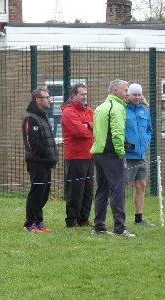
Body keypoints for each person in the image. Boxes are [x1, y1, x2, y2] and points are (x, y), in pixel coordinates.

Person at [90, 79, 134, 238]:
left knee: (102, 190)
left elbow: (96, 132)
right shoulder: (117, 108)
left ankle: (99, 226)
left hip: (98, 153)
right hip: (111, 154)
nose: (127, 93)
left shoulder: (100, 107)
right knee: (118, 190)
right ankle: (120, 229)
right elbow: (117, 133)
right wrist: (120, 152)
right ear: (115, 91)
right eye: (125, 90)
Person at [21, 88, 58, 233]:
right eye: (46, 97)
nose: (50, 100)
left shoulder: (43, 117)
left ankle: (39, 221)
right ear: (38, 100)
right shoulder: (30, 118)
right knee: (36, 192)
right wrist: (44, 155)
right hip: (37, 163)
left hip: (46, 163)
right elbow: (32, 142)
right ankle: (30, 223)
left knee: (44, 193)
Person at [60, 83, 94, 228]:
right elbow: (78, 132)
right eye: (82, 94)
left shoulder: (90, 111)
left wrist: (88, 125)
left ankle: (84, 219)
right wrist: (89, 127)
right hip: (75, 157)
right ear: (74, 96)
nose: (85, 96)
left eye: (86, 94)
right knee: (75, 190)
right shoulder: (68, 112)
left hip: (90, 156)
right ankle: (72, 220)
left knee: (88, 190)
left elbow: (97, 127)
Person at [124, 83, 155, 226]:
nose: (136, 97)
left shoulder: (145, 111)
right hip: (127, 156)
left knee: (141, 184)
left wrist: (146, 141)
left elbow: (149, 129)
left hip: (142, 155)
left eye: (138, 94)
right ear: (128, 95)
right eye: (134, 94)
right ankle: (120, 217)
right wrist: (126, 145)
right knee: (121, 187)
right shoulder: (122, 110)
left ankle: (139, 218)